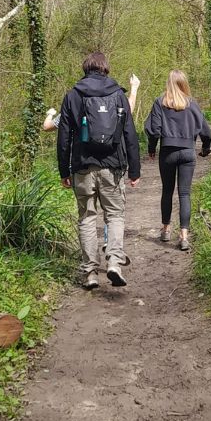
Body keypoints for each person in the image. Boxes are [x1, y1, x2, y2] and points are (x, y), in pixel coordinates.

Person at [57, 53, 141, 288]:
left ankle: (91, 272)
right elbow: (129, 134)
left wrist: (64, 170)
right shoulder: (118, 94)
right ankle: (114, 261)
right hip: (112, 166)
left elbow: (64, 137)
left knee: (86, 218)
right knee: (114, 215)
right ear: (106, 69)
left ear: (85, 69)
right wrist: (134, 169)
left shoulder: (73, 95)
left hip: (82, 167)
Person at [144, 70, 211, 251]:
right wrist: (206, 147)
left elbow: (154, 129)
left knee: (167, 191)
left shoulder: (160, 102)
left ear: (168, 83)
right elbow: (206, 131)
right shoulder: (192, 104)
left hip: (167, 152)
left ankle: (166, 229)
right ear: (184, 84)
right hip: (188, 152)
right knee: (184, 194)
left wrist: (152, 148)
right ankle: (183, 235)